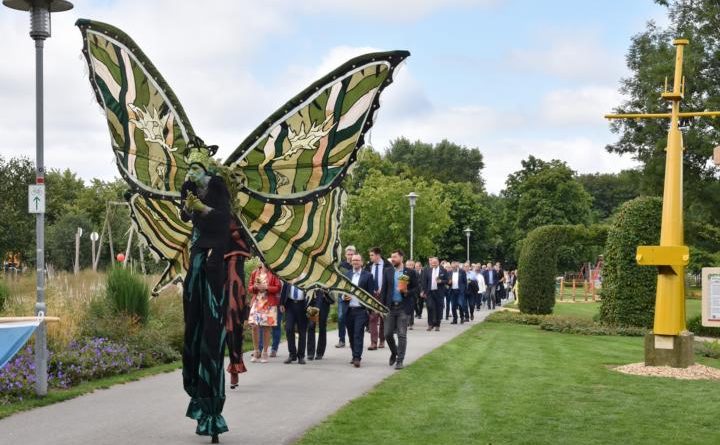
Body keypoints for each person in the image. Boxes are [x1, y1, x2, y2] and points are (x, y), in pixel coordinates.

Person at [180, 145, 232, 442]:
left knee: (212, 333)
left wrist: (202, 209)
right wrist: (189, 208)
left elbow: (224, 218)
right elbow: (185, 218)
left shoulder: (217, 185)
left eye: (196, 169)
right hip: (198, 256)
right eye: (189, 169)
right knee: (194, 326)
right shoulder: (188, 188)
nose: (190, 174)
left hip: (216, 258)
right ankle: (198, 394)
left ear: (207, 171)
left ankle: (212, 406)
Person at [224, 218, 252, 390]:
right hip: (219, 284)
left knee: (234, 331)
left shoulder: (243, 232)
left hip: (237, 289)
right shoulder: (218, 231)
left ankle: (235, 369)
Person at [380, 249, 418, 370]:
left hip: (403, 307)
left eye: (395, 257)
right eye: (391, 257)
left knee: (402, 334)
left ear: (401, 258)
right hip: (390, 307)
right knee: (387, 334)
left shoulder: (410, 272)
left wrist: (407, 291)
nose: (393, 259)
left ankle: (400, 360)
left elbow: (417, 288)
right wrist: (381, 307)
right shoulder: (387, 271)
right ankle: (394, 352)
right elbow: (384, 290)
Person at [343, 253, 376, 367]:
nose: (355, 262)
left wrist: (370, 310)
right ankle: (354, 354)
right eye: (353, 260)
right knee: (351, 335)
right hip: (349, 309)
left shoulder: (368, 276)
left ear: (361, 262)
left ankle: (357, 357)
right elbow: (341, 291)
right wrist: (343, 297)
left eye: (357, 260)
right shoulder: (346, 275)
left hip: (361, 310)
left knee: (358, 334)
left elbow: (371, 295)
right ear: (351, 262)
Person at [247, 263, 281, 363]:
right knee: (254, 326)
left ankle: (265, 352)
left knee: (266, 328)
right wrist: (255, 287)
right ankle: (256, 351)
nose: (263, 261)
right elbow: (250, 287)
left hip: (269, 303)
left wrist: (266, 288)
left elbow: (278, 287)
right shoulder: (255, 272)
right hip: (257, 301)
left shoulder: (274, 273)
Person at [366, 247, 390, 350]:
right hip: (372, 295)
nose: (370, 257)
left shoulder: (388, 266)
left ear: (378, 255)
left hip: (383, 295)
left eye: (372, 255)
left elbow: (390, 281)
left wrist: (382, 289)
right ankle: (373, 342)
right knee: (372, 318)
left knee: (383, 318)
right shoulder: (368, 266)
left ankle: (382, 340)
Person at [280, 282, 308, 365]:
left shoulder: (306, 277)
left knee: (302, 331)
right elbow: (284, 289)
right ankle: (292, 354)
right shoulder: (290, 273)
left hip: (303, 305)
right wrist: (281, 303)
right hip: (290, 305)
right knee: (288, 329)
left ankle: (301, 356)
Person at [335, 245, 356, 349]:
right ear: (345, 255)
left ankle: (354, 339)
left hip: (354, 296)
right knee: (341, 317)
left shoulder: (357, 265)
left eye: (352, 254)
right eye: (349, 254)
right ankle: (341, 339)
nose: (350, 256)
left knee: (353, 319)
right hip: (342, 295)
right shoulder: (341, 266)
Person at [423, 257, 448, 331]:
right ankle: (430, 324)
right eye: (432, 262)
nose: (433, 264)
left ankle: (437, 325)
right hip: (430, 292)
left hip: (439, 292)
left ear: (438, 262)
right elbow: (425, 282)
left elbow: (447, 280)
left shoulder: (443, 270)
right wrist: (423, 291)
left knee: (438, 308)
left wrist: (441, 281)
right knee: (430, 307)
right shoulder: (427, 270)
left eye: (435, 262)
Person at [307, 289, 331, 360]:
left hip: (324, 302)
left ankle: (320, 352)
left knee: (322, 326)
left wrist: (327, 290)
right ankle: (310, 353)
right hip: (313, 302)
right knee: (311, 325)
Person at [404, 259, 419, 330]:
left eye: (411, 265)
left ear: (413, 266)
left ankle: (411, 323)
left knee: (411, 309)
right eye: (408, 265)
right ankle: (405, 322)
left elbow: (416, 285)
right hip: (403, 293)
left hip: (412, 294)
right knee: (404, 309)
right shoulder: (403, 272)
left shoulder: (415, 273)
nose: (409, 266)